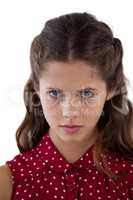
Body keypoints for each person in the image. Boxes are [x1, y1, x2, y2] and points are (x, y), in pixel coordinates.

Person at [0, 12, 133, 200]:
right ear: (37, 89)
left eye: (87, 93)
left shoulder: (129, 180)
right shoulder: (6, 184)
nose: (70, 112)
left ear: (111, 89)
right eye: (54, 93)